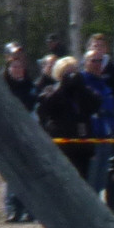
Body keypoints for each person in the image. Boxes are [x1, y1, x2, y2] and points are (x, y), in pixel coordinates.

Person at [35, 54, 99, 182]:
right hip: (62, 146)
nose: (71, 75)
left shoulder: (82, 91)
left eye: (74, 71)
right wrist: (62, 88)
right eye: (67, 72)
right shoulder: (51, 90)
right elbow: (45, 108)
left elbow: (96, 105)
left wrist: (81, 88)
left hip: (82, 147)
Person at [80, 37, 114, 212]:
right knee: (91, 177)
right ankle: (90, 210)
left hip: (107, 136)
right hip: (91, 137)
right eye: (93, 61)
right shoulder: (81, 81)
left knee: (104, 177)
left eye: (100, 60)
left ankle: (105, 205)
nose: (97, 64)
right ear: (85, 63)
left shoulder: (104, 84)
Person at [2, 45, 38, 222]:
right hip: (9, 134)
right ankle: (11, 209)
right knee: (12, 173)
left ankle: (28, 209)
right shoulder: (1, 85)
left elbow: (33, 106)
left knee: (29, 172)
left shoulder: (30, 85)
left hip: (28, 134)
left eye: (20, 66)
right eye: (14, 66)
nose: (17, 70)